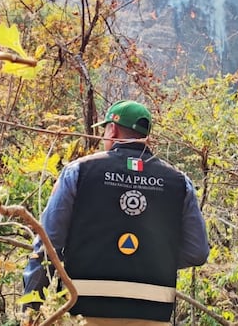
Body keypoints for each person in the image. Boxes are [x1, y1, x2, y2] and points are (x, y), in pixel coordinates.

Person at [22, 100, 210, 325]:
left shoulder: (79, 171)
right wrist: (154, 258)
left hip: (84, 312)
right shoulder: (180, 182)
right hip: (152, 315)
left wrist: (30, 311)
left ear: (112, 129)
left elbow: (47, 246)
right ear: (146, 137)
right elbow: (198, 252)